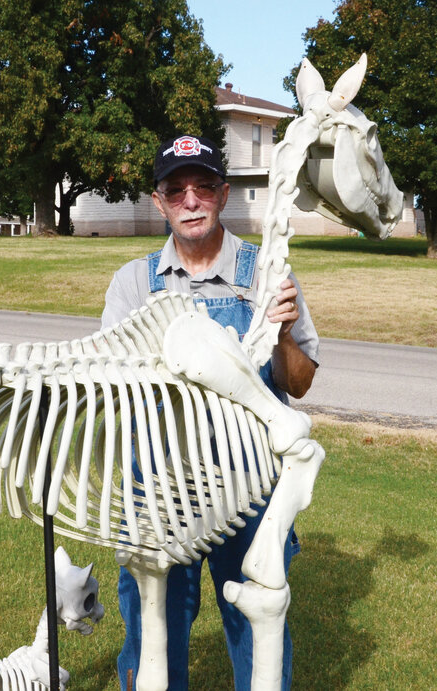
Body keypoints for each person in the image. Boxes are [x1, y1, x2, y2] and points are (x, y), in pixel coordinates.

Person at [102, 135, 320, 691]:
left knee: (256, 626)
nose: (191, 200)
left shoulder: (266, 274)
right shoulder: (133, 283)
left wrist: (286, 331)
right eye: (176, 191)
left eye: (203, 187)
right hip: (158, 483)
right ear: (159, 202)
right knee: (152, 628)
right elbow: (113, 387)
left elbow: (298, 382)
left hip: (250, 484)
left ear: (223, 194)